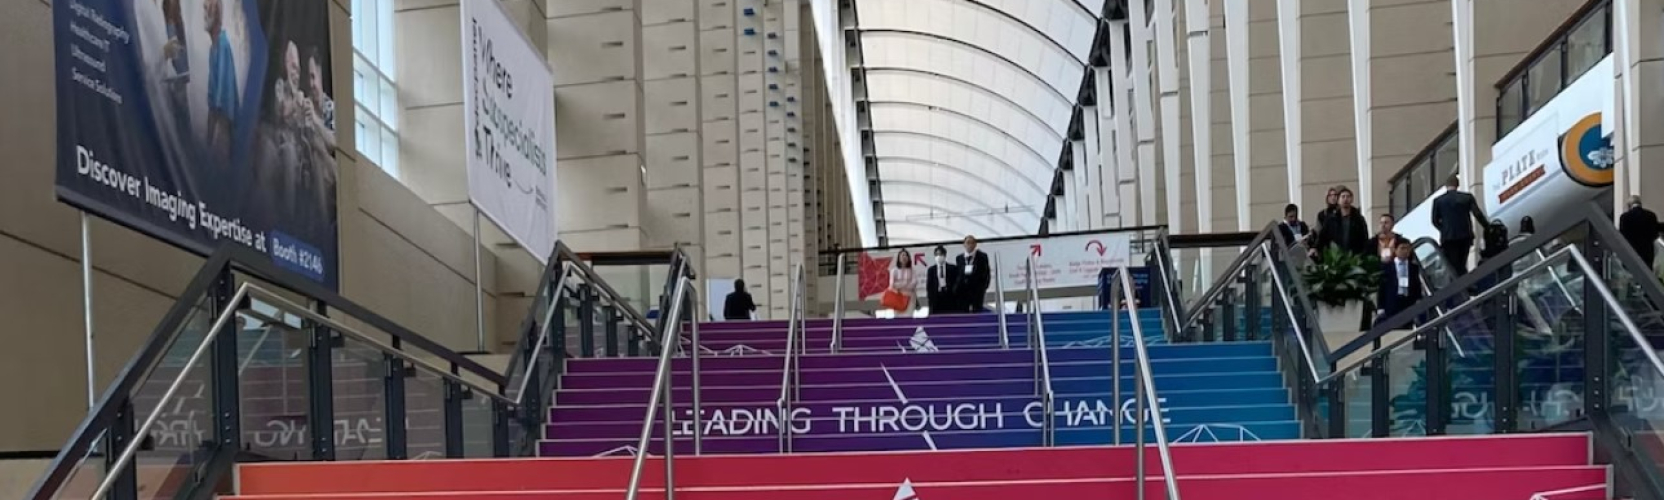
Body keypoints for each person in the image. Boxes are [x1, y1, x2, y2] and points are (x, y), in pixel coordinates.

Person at [1430, 174, 1486, 276]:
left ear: (1446, 186)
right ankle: (1465, 279)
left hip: (1448, 238)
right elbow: (1477, 213)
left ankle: (1461, 281)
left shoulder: (1438, 201)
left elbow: (1434, 220)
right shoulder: (1467, 197)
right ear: (1457, 185)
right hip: (1465, 235)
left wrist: (1443, 229)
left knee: (1453, 265)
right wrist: (1487, 226)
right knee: (1462, 262)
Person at [1377, 238, 1425, 325]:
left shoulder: (1413, 267)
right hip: (1392, 302)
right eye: (1402, 248)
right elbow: (1382, 287)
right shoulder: (1387, 267)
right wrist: (1380, 307)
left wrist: (1418, 299)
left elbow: (1417, 285)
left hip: (1408, 301)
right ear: (1395, 250)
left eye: (1408, 248)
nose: (1405, 251)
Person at [1317, 187, 1371, 257]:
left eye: (1348, 196)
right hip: (1336, 257)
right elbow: (1322, 237)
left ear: (1351, 199)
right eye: (1343, 197)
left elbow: (1364, 238)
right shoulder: (1331, 220)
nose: (1345, 199)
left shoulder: (1359, 219)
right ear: (1338, 200)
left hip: (1354, 257)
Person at [1619, 195, 1662, 266]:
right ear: (1640, 204)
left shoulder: (1624, 217)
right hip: (1647, 252)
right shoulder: (1651, 215)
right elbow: (1655, 234)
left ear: (1629, 205)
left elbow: (1622, 235)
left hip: (1631, 252)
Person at [956, 235, 993, 313]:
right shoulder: (959, 258)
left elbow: (986, 272)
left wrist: (984, 286)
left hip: (977, 290)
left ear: (975, 244)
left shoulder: (982, 256)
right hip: (963, 290)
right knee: (963, 310)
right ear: (964, 244)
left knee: (977, 309)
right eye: (968, 243)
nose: (970, 245)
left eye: (972, 243)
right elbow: (958, 274)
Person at [926, 246, 961, 313]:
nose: (939, 256)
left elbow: (957, 283)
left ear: (945, 255)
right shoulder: (931, 270)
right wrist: (930, 300)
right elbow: (929, 286)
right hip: (936, 298)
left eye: (941, 254)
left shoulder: (953, 268)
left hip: (950, 297)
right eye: (937, 254)